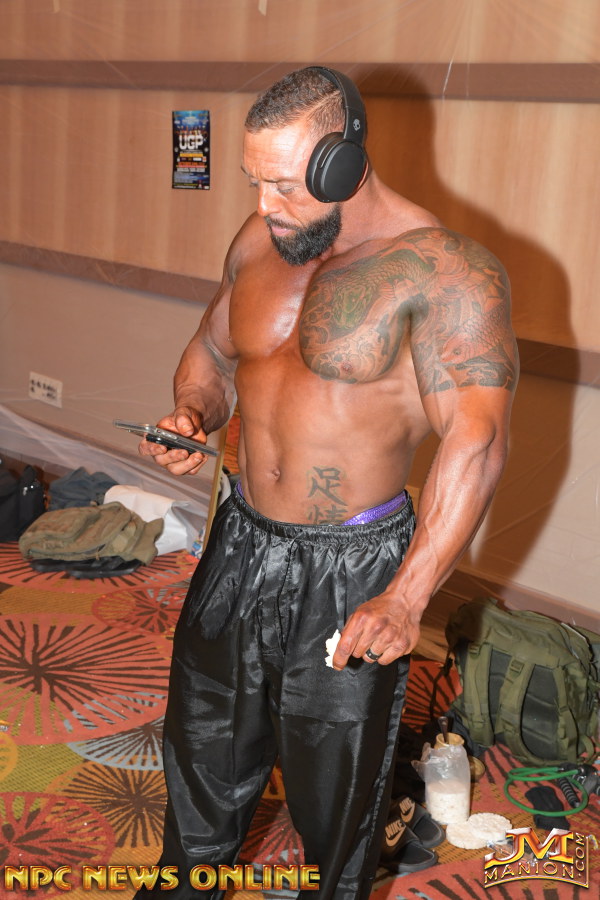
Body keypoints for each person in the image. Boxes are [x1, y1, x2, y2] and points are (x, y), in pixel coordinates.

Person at [137, 67, 518, 899]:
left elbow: (477, 441)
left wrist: (407, 598)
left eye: (284, 184)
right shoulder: (257, 240)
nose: (265, 204)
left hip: (351, 565)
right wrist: (192, 413)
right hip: (241, 541)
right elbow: (212, 356)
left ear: (343, 162)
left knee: (334, 794)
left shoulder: (443, 271)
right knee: (201, 750)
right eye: (255, 181)